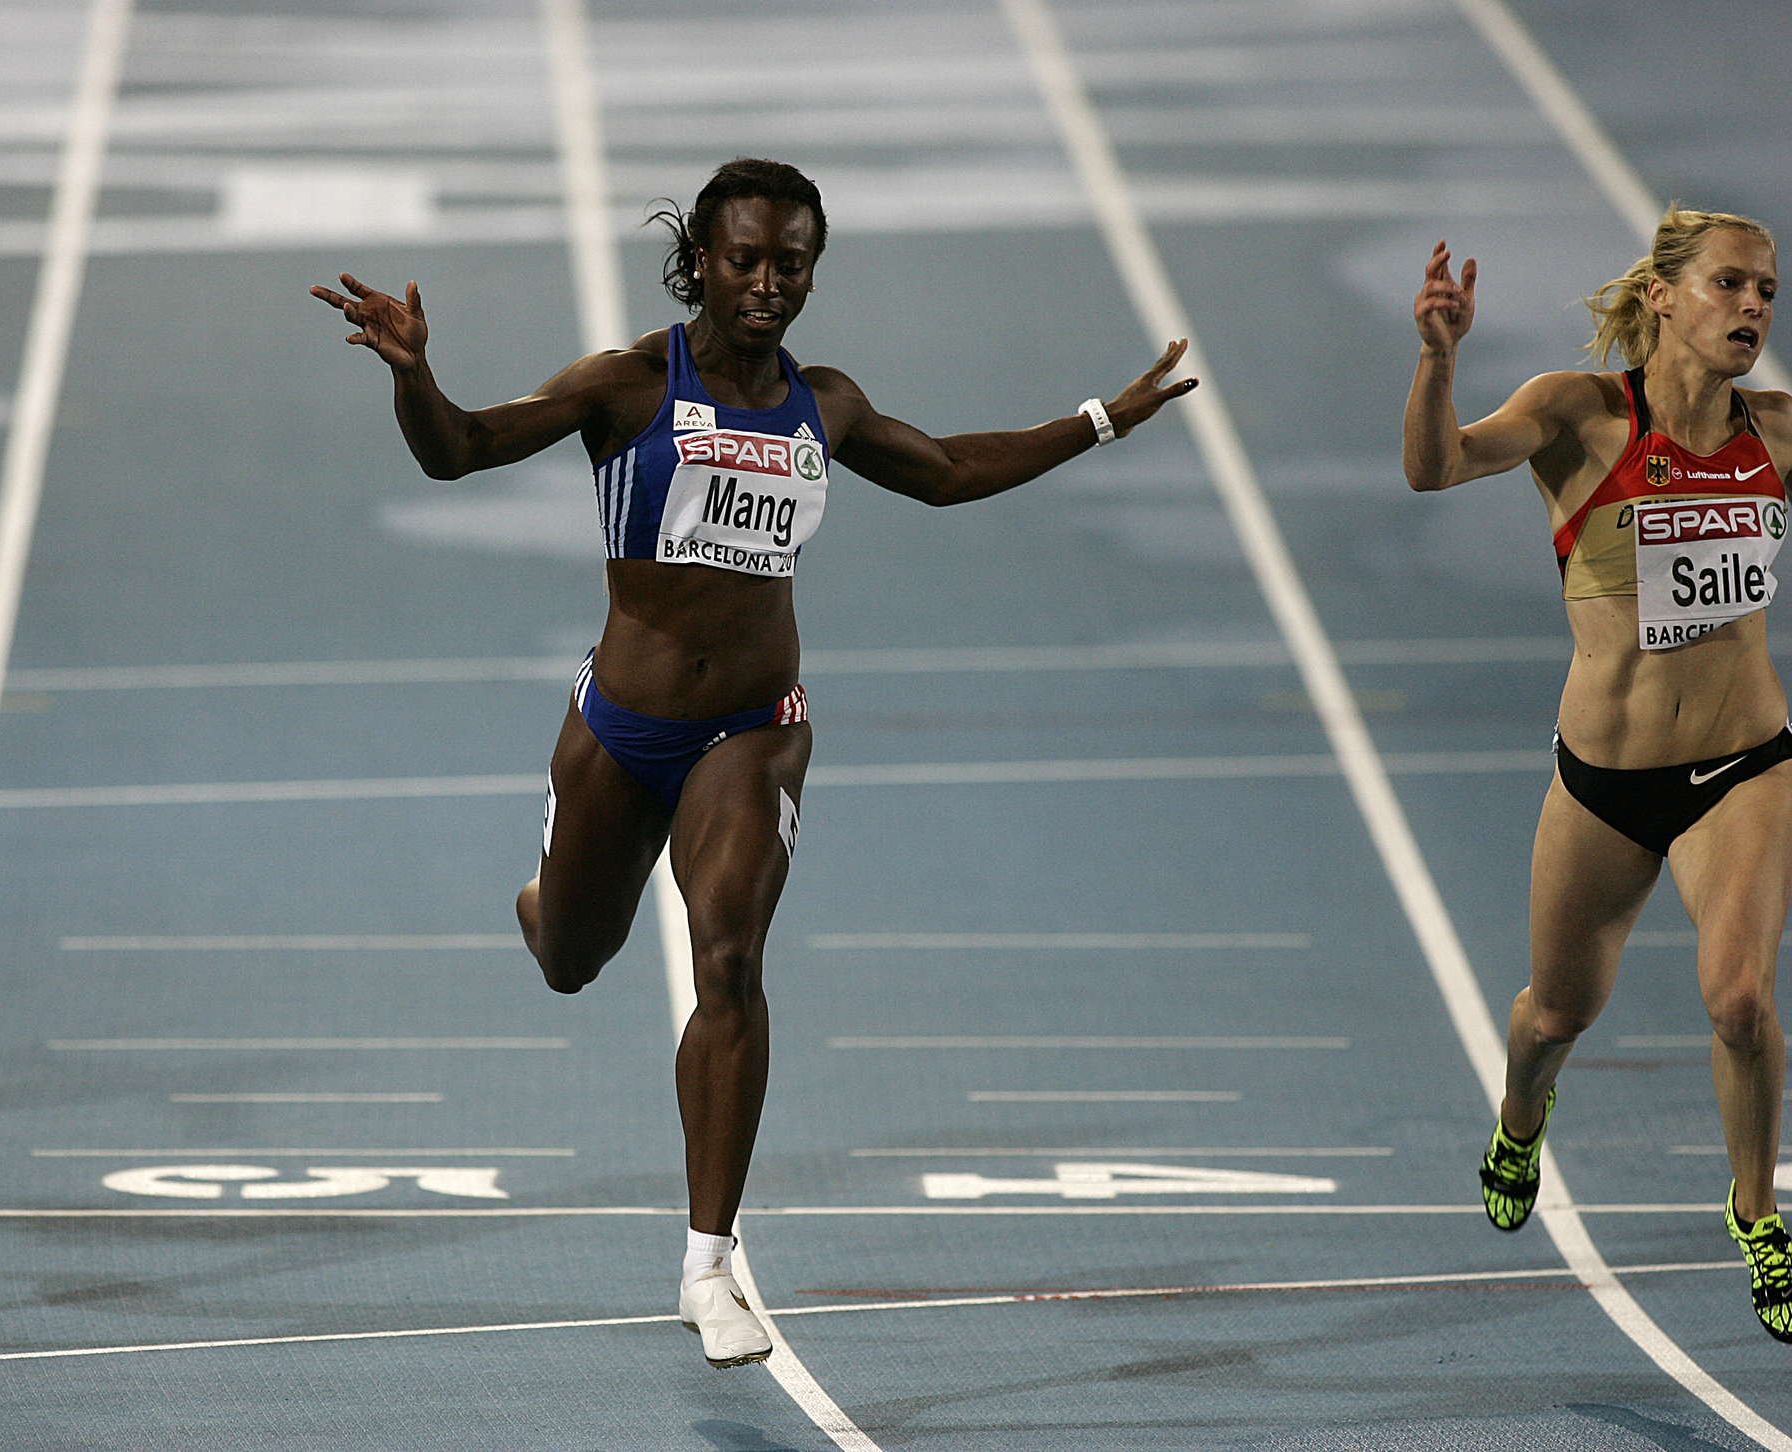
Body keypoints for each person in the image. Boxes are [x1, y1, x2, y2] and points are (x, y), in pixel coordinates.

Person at [315, 158, 1194, 1366]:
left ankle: (708, 1265)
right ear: (701, 264)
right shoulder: (626, 385)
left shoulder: (823, 405)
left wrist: (1100, 420)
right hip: (621, 728)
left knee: (727, 957)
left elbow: (947, 473)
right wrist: (414, 374)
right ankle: (545, 895)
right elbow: (457, 450)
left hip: (752, 730)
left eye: (791, 263)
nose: (768, 283)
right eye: (745, 261)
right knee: (569, 959)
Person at [1404, 207, 1791, 1341]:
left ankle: (1756, 1215)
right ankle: (1521, 1118)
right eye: (1730, 284)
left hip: (1743, 763)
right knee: (1553, 1013)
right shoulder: (1578, 414)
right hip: (1603, 783)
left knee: (1739, 1001)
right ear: (1663, 296)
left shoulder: (1777, 431)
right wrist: (1437, 359)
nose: (1753, 308)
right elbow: (1433, 469)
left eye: (1767, 292)